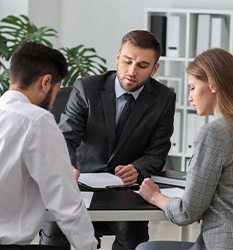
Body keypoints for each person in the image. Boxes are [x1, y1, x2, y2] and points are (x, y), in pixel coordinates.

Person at [0, 41, 97, 250]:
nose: (53, 100)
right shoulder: (37, 120)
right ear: (46, 82)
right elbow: (66, 202)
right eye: (57, 90)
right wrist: (89, 247)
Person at [40, 30, 176, 249]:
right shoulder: (87, 88)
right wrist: (68, 166)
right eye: (127, 61)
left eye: (142, 65)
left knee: (132, 236)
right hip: (80, 183)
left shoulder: (163, 98)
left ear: (155, 68)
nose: (131, 71)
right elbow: (65, 138)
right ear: (117, 57)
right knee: (53, 231)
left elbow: (158, 151)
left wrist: (138, 168)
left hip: (125, 190)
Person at [136, 48, 233, 250]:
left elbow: (186, 213)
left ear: (212, 84)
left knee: (146, 249)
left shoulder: (214, 133)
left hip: (224, 245)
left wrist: (155, 196)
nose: (189, 97)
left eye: (192, 87)